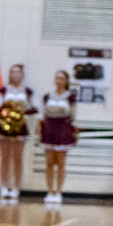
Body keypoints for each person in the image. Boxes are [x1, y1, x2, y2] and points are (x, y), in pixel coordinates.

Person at [39, 70, 76, 207]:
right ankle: (49, 191)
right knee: (49, 162)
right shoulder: (48, 96)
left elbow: (73, 115)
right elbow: (43, 113)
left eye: (61, 78)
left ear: (66, 81)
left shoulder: (70, 97)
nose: (58, 81)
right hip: (49, 129)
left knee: (61, 163)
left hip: (63, 129)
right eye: (57, 78)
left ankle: (58, 192)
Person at [0, 63, 36, 203]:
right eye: (12, 72)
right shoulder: (4, 90)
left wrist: (22, 109)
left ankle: (16, 187)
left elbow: (33, 108)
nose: (15, 75)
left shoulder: (27, 91)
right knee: (5, 158)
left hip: (20, 126)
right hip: (5, 126)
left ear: (22, 74)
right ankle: (4, 186)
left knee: (18, 158)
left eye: (17, 72)